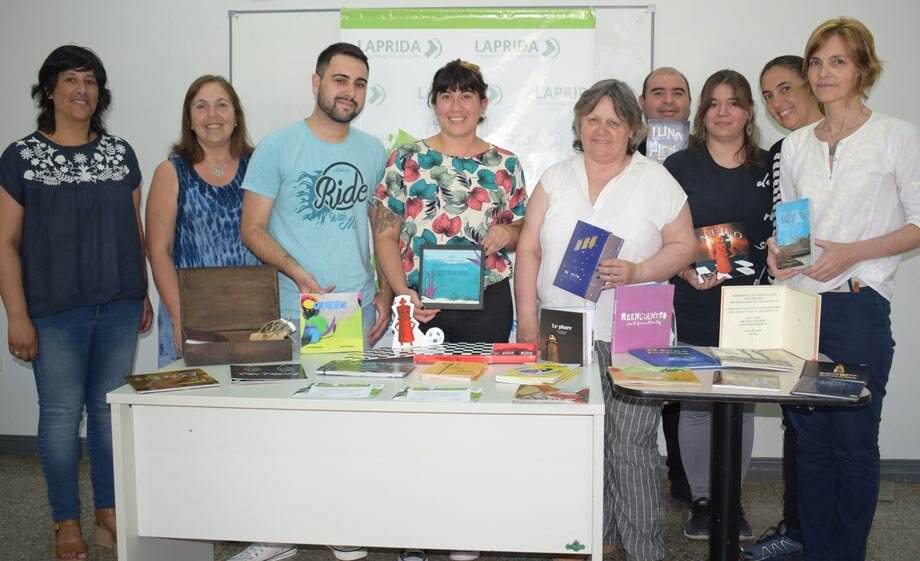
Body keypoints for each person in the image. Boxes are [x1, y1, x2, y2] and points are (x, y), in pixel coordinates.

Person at [515, 79, 695, 561]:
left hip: (636, 331)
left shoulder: (656, 180)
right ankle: (593, 537)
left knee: (631, 448)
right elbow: (528, 248)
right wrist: (527, 318)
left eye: (614, 121)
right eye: (593, 118)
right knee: (576, 443)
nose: (602, 129)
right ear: (578, 123)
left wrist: (638, 270)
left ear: (632, 130)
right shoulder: (555, 177)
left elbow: (685, 246)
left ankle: (643, 552)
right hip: (562, 329)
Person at [768, 17, 920, 561]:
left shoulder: (898, 136)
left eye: (838, 61)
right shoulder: (794, 145)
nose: (824, 72)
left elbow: (918, 224)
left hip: (858, 306)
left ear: (862, 68)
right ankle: (815, 550)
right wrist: (780, 252)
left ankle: (845, 552)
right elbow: (794, 227)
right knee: (809, 445)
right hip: (801, 310)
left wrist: (853, 252)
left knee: (853, 443)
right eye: (816, 61)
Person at [237, 42, 391, 561]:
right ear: (317, 81)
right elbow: (251, 229)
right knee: (289, 429)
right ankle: (279, 533)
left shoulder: (374, 150)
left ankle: (342, 523)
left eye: (360, 84)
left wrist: (387, 293)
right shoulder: (278, 147)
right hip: (294, 312)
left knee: (348, 427)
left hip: (358, 310)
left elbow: (380, 228)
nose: (350, 92)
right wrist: (299, 274)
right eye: (340, 80)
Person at [0, 45, 152, 560]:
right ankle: (65, 519)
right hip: (53, 310)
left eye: (89, 81)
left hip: (120, 302)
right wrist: (16, 314)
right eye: (69, 80)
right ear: (49, 89)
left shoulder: (120, 153)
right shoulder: (21, 157)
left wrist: (143, 289)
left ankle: (108, 509)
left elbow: (133, 228)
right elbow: (5, 242)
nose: (81, 90)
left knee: (109, 413)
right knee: (62, 415)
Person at [663, 69, 771, 542]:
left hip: (755, 305)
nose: (723, 112)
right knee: (698, 403)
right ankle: (704, 501)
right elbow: (663, 233)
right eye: (714, 103)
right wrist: (683, 269)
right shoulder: (679, 166)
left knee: (742, 403)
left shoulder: (772, 166)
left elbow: (786, 232)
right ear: (702, 112)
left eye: (734, 102)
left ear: (749, 111)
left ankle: (732, 498)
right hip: (696, 299)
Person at [373, 59, 527, 345]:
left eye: (466, 96)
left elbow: (521, 233)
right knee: (419, 387)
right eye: (447, 96)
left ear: (483, 104)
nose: (456, 107)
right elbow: (385, 235)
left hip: (487, 305)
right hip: (419, 303)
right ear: (434, 103)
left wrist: (508, 233)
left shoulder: (505, 164)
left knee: (484, 385)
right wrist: (402, 293)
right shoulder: (406, 159)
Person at [741, 55, 823, 561]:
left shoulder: (849, 144)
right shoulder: (782, 150)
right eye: (768, 95)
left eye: (786, 89)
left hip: (839, 296)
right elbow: (786, 228)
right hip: (789, 298)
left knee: (829, 429)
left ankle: (815, 532)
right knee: (799, 423)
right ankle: (796, 528)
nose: (778, 102)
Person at [146, 75, 260, 368]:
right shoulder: (171, 172)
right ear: (190, 119)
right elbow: (158, 251)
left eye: (222, 105)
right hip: (192, 316)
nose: (212, 116)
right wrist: (179, 318)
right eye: (201, 106)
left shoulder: (260, 166)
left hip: (252, 315)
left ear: (236, 116)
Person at [637, 66, 694, 504]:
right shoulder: (619, 148)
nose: (669, 101)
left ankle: (686, 483)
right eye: (658, 93)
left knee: (682, 387)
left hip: (695, 288)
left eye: (678, 93)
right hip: (636, 292)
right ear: (642, 102)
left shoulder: (701, 156)